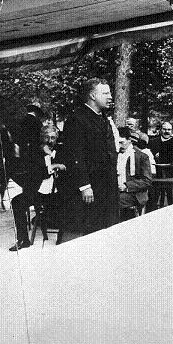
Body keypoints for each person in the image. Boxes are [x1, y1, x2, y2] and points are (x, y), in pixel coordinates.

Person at [58, 78, 119, 242]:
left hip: (108, 185)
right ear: (92, 95)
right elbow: (75, 156)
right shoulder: (77, 119)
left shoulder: (103, 117)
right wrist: (85, 186)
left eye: (110, 92)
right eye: (105, 93)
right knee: (92, 232)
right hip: (91, 187)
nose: (110, 96)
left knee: (108, 230)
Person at [8, 105, 46, 251]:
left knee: (18, 202)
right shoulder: (39, 127)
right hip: (38, 176)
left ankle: (23, 239)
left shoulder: (22, 124)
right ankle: (24, 238)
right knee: (22, 199)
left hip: (33, 174)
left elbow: (17, 147)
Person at [116, 127, 152, 222]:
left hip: (135, 193)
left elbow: (147, 181)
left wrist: (126, 186)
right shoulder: (115, 155)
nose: (119, 146)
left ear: (129, 140)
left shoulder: (141, 156)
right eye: (117, 142)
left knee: (114, 201)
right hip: (116, 191)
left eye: (121, 142)